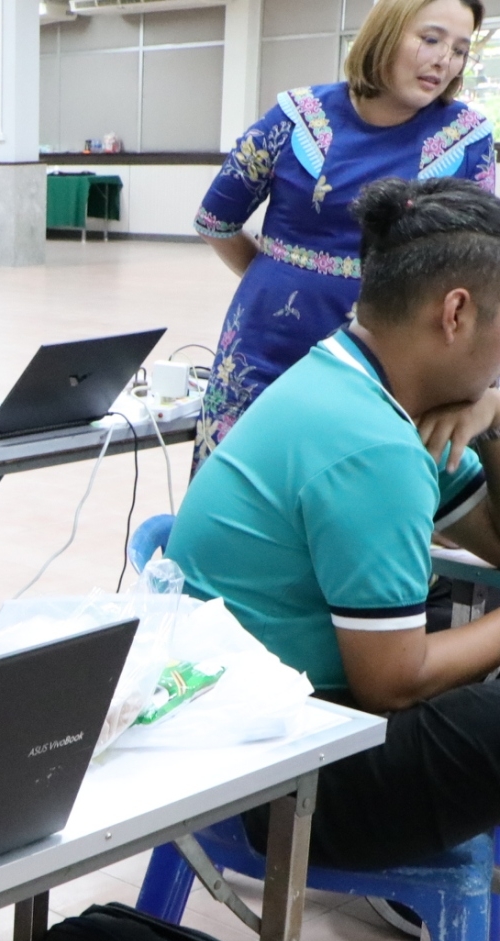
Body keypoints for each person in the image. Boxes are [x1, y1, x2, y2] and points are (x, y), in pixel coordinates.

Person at [168, 177, 500, 872]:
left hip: (260, 722)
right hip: (276, 780)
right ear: (456, 314)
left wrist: (493, 418)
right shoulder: (371, 444)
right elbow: (394, 683)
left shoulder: (359, 378)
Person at [192, 0, 492, 467]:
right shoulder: (294, 117)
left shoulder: (467, 138)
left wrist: (485, 392)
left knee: (359, 493)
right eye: (431, 39)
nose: (443, 61)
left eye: (458, 50)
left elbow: (483, 272)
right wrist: (277, 278)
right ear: (385, 32)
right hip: (265, 350)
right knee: (243, 485)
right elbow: (216, 220)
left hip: (394, 369)